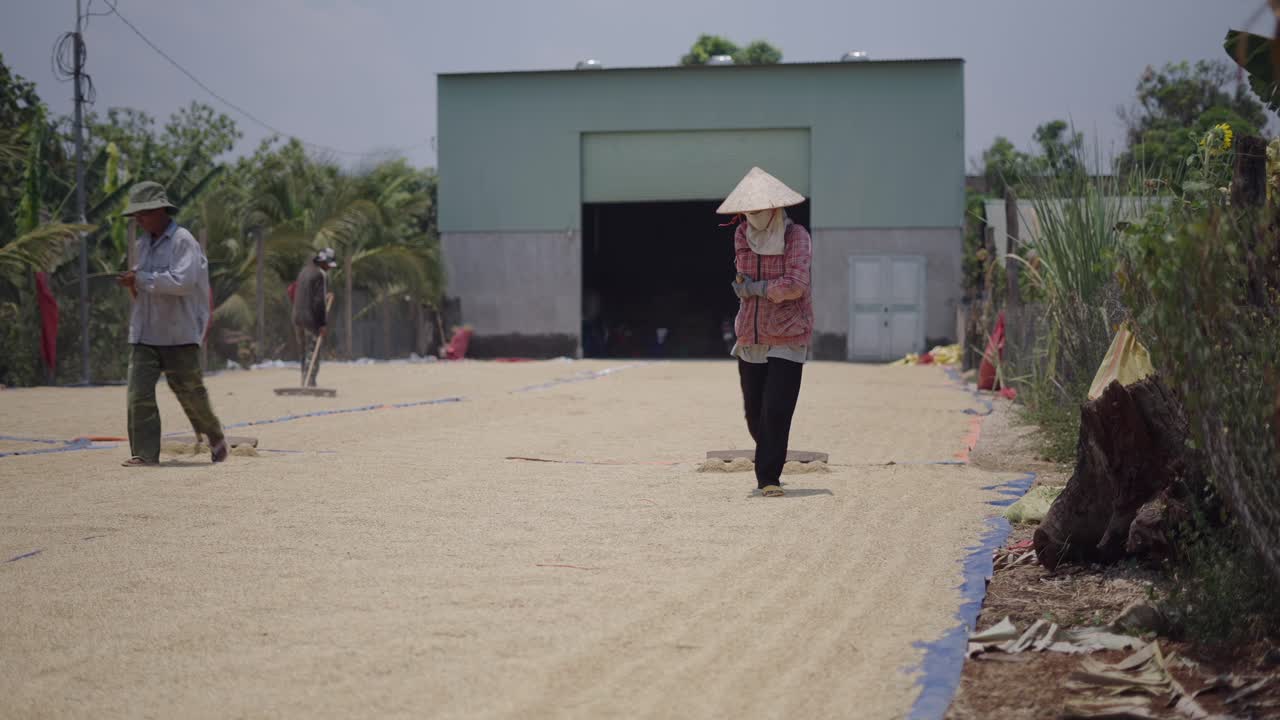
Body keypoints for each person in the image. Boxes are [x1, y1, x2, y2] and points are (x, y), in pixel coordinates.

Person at [718, 167, 814, 497]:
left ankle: (768, 477)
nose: (754, 216)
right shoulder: (742, 234)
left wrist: (756, 288)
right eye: (749, 211)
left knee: (776, 407)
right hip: (751, 332)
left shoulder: (796, 236)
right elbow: (743, 273)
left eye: (760, 210)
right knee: (754, 412)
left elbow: (796, 285)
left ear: (774, 208)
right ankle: (770, 451)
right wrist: (746, 286)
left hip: (789, 332)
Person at [117, 181, 227, 466]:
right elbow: (144, 286)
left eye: (143, 214)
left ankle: (214, 436)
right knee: (137, 395)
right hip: (144, 333)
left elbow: (182, 283)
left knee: (190, 393)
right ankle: (144, 454)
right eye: (136, 216)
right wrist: (133, 282)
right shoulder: (141, 246)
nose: (139, 220)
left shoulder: (183, 241)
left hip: (179, 332)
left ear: (161, 210)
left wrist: (141, 279)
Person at [292, 248, 337, 386]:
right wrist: (322, 324)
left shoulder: (304, 271)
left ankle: (303, 380)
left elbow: (292, 291)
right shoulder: (320, 274)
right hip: (310, 319)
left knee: (303, 352)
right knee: (313, 351)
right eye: (328, 265)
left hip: (296, 316)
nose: (329, 268)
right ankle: (310, 382)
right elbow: (318, 303)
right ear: (323, 262)